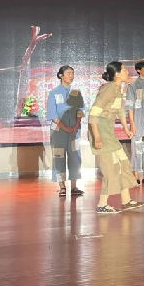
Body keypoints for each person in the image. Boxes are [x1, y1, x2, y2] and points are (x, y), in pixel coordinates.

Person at [89, 61, 143, 214]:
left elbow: (120, 111)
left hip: (109, 132)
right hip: (100, 131)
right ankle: (102, 204)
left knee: (123, 163)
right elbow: (93, 114)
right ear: (117, 74)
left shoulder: (118, 88)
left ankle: (126, 201)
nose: (128, 72)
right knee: (111, 168)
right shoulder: (109, 89)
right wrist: (97, 137)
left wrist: (126, 128)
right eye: (124, 70)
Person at [46, 65, 84, 198]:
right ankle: (62, 186)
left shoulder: (76, 93)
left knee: (75, 156)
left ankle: (74, 186)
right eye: (68, 73)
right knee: (59, 156)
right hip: (58, 131)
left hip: (74, 131)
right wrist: (66, 128)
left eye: (72, 73)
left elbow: (80, 111)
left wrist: (76, 125)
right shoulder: (54, 92)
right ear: (61, 75)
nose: (71, 76)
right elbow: (53, 115)